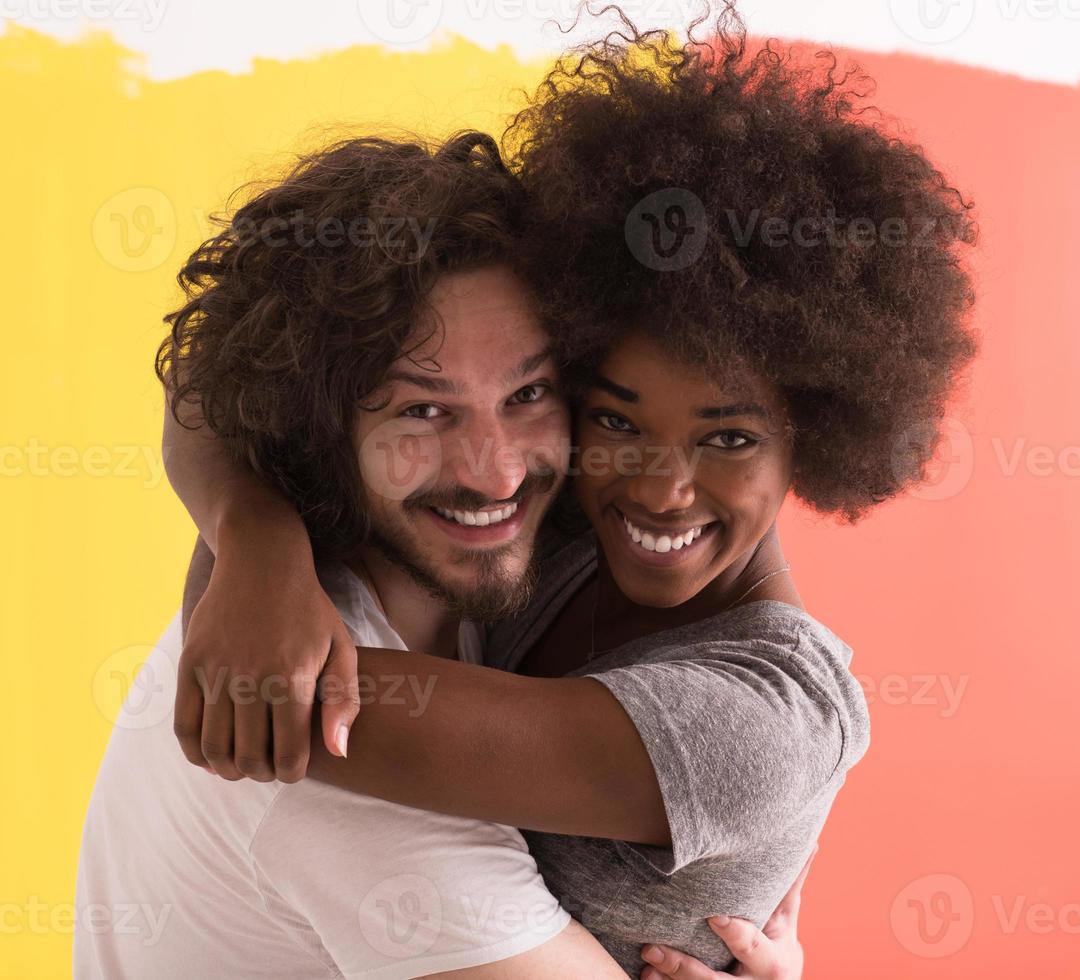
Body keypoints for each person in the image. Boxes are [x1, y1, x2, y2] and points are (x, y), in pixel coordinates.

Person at [165, 5, 977, 976]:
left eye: (726, 437)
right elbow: (229, 380)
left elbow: (277, 706)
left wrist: (248, 571)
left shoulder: (758, 728)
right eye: (619, 421)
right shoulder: (551, 514)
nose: (663, 489)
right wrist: (253, 531)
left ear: (815, 429)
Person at [77, 131, 789, 980]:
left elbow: (204, 375)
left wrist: (248, 530)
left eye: (526, 393)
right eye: (422, 412)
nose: (495, 472)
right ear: (316, 425)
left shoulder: (418, 556)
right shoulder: (335, 768)